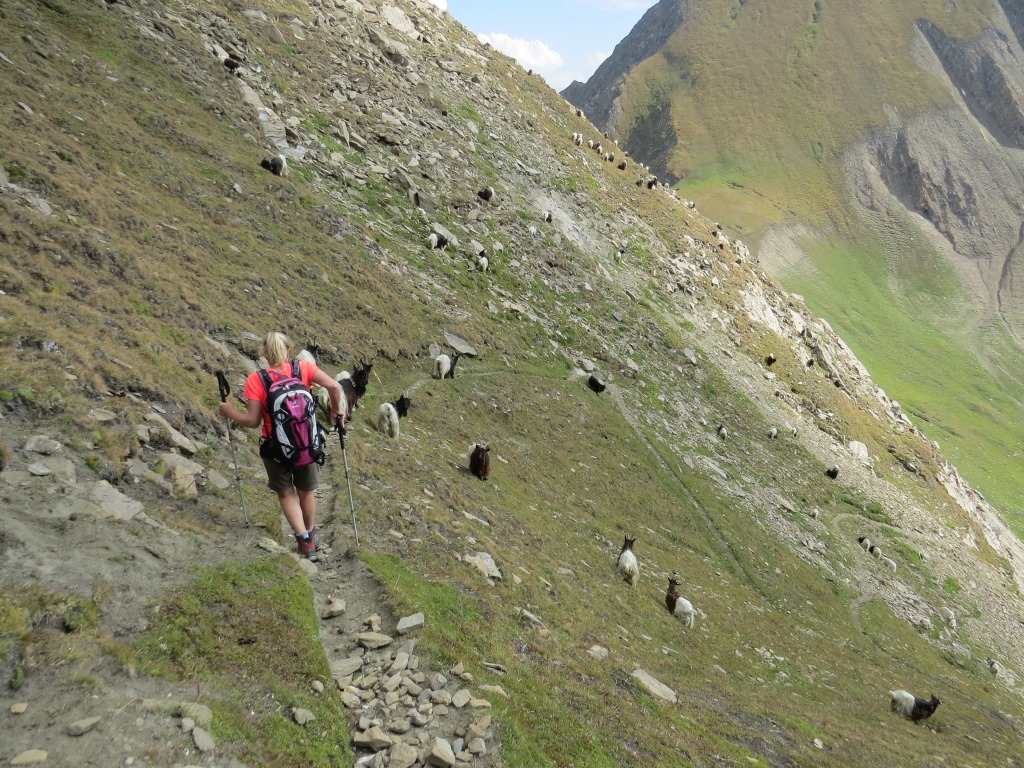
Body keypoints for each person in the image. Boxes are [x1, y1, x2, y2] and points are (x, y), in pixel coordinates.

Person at [219, 332, 343, 560]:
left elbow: (253, 421)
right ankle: (312, 533)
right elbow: (334, 387)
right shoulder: (303, 369)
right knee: (307, 492)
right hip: (307, 444)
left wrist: (230, 413)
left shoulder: (256, 379)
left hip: (275, 449)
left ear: (264, 353)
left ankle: (304, 541)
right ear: (288, 350)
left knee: (286, 494)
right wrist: (335, 410)